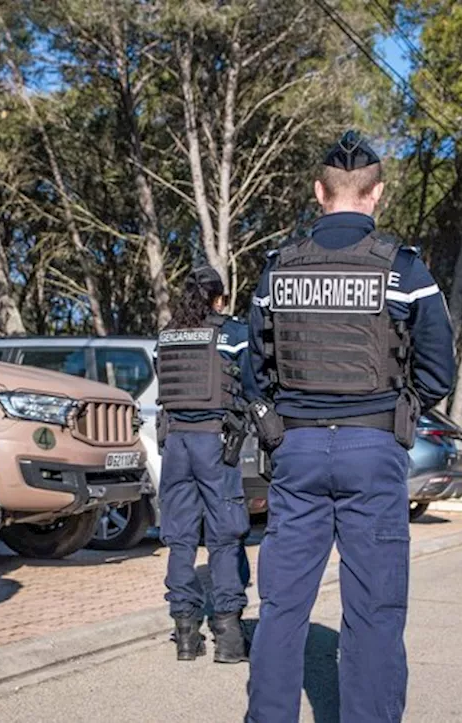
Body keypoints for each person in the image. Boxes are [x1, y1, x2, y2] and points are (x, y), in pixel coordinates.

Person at [244, 131, 456, 722]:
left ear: (319, 191)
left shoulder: (277, 269)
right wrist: (399, 415)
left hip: (298, 451)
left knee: (283, 606)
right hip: (373, 445)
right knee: (374, 608)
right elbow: (439, 368)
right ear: (377, 193)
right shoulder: (406, 270)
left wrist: (277, 428)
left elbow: (254, 368)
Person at [155, 265, 254, 663]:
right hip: (215, 443)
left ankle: (185, 635)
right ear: (219, 298)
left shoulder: (166, 337)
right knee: (224, 535)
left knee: (179, 538)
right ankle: (228, 638)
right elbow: (252, 382)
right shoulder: (233, 334)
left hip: (175, 443)